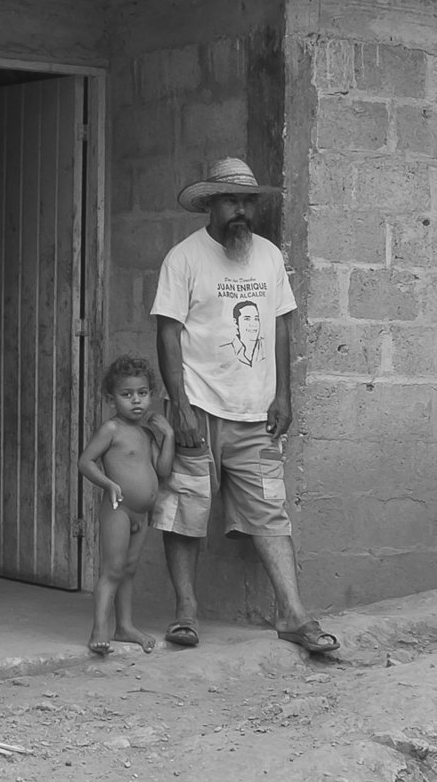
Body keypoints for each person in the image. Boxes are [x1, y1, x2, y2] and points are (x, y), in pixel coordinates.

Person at [150, 155, 337, 656]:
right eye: (231, 200)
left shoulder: (270, 257)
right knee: (186, 511)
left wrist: (284, 393)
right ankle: (185, 611)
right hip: (200, 410)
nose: (241, 211)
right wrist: (181, 406)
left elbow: (279, 326)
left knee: (270, 512)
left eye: (247, 202)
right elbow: (168, 334)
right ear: (210, 204)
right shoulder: (184, 258)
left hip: (257, 415)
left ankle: (294, 616)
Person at [77, 355, 175, 655]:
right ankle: (99, 630)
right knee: (113, 570)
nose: (136, 401)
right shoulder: (112, 429)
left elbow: (163, 469)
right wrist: (108, 484)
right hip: (118, 510)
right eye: (127, 394)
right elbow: (85, 461)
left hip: (141, 515)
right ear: (111, 398)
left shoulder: (147, 433)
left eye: (142, 394)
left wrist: (168, 435)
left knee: (130, 570)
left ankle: (125, 626)